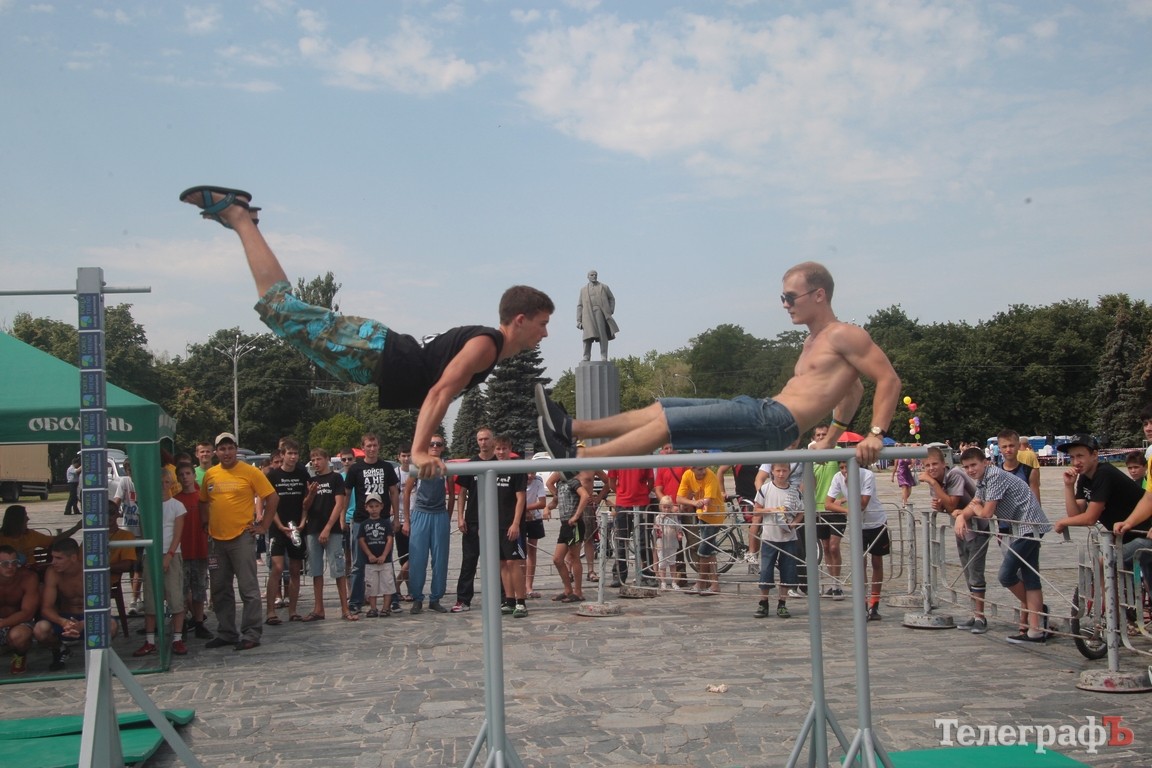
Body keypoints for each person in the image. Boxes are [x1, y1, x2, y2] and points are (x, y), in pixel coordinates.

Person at [179, 185, 554, 479]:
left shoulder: (489, 348)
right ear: (520, 319)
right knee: (280, 309)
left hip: (368, 363)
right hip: (372, 349)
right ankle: (240, 216)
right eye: (543, 323)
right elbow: (440, 392)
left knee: (282, 313)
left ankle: (245, 222)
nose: (546, 334)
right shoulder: (486, 344)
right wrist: (419, 450)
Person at [537, 262, 900, 468]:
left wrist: (875, 433)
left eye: (790, 297)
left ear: (819, 295)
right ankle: (574, 428)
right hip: (764, 410)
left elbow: (888, 380)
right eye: (782, 297)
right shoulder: (812, 342)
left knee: (667, 425)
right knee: (662, 408)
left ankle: (579, 460)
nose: (785, 304)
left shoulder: (844, 334)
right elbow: (852, 389)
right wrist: (830, 440)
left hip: (775, 422)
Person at [956, 447, 1052, 644]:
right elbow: (975, 503)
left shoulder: (994, 476)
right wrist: (962, 517)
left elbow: (986, 513)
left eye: (973, 465)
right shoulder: (983, 479)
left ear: (985, 462)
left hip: (1028, 525)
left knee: (1006, 575)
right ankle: (1036, 630)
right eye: (966, 467)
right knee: (1030, 577)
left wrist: (975, 508)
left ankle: (1037, 611)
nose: (970, 470)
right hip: (1022, 528)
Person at [200, 432, 279, 651]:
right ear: (216, 452)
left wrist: (263, 526)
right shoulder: (210, 474)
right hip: (216, 540)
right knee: (219, 589)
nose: (226, 453)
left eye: (230, 448)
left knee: (248, 588)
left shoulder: (250, 472)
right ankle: (226, 632)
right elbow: (203, 501)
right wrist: (205, 523)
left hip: (241, 537)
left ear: (236, 449)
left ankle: (252, 632)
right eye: (222, 449)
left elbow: (272, 497)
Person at [1055, 435, 1152, 602]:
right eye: (1072, 457)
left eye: (1080, 456)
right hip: (1125, 537)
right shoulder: (1085, 477)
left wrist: (1062, 522)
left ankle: (1109, 608)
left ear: (1094, 455)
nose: (1076, 462)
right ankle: (1120, 609)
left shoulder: (1104, 473)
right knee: (1130, 574)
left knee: (1105, 562)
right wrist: (1069, 486)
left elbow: (1090, 518)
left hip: (1144, 534)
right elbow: (1076, 515)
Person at [919, 446, 986, 633]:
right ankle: (975, 614)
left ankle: (980, 617)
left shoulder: (954, 474)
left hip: (978, 528)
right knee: (968, 573)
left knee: (975, 573)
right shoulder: (937, 480)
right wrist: (939, 504)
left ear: (944, 464)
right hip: (962, 529)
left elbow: (951, 504)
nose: (931, 468)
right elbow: (946, 506)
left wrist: (933, 484)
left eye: (934, 464)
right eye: (927, 466)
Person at [825, 461, 889, 621]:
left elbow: (863, 504)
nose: (844, 471)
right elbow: (828, 504)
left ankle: (874, 602)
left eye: (847, 467)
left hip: (876, 521)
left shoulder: (867, 475)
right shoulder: (838, 477)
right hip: (858, 525)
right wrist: (846, 510)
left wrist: (850, 485)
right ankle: (863, 603)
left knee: (877, 562)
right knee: (860, 563)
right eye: (841, 467)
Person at [134, 468, 187, 657]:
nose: (163, 486)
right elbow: (145, 531)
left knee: (175, 597)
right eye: (160, 483)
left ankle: (177, 638)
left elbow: (177, 534)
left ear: (171, 484)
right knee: (150, 598)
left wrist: (169, 555)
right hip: (151, 554)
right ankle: (150, 640)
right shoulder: (147, 506)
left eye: (166, 482)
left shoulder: (177, 506)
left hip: (171, 553)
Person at [344, 433, 399, 616]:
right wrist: (342, 518)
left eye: (375, 445)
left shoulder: (386, 467)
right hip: (361, 520)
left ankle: (392, 600)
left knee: (387, 562)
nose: (372, 449)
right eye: (369, 445)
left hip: (383, 520)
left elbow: (393, 492)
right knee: (359, 563)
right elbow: (346, 494)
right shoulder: (355, 469)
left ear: (379, 446)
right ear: (363, 447)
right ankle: (356, 601)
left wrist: (396, 518)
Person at [303, 448, 353, 622]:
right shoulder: (311, 480)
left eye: (318, 459)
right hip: (313, 529)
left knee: (338, 569)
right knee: (316, 570)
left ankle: (345, 609)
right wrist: (311, 494)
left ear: (326, 460)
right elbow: (305, 506)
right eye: (313, 460)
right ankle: (318, 609)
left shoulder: (335, 478)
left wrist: (328, 528)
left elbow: (339, 504)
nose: (316, 463)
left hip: (332, 530)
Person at [404, 436, 453, 615]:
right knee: (417, 559)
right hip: (420, 514)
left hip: (439, 515)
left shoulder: (445, 467)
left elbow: (452, 495)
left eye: (438, 444)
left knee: (440, 560)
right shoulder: (419, 465)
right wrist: (407, 520)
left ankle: (435, 598)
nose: (434, 446)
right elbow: (406, 492)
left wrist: (447, 517)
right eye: (431, 444)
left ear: (442, 447)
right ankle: (417, 598)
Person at [264, 438, 310, 626]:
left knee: (295, 570)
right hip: (278, 528)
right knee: (276, 568)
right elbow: (269, 504)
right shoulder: (273, 476)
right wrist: (279, 525)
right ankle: (270, 611)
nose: (293, 457)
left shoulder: (302, 473)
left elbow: (306, 501)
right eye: (289, 453)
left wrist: (303, 522)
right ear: (282, 455)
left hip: (296, 527)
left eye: (295, 454)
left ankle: (293, 610)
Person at [33, 538, 95, 672]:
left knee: (111, 626)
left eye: (59, 558)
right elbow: (46, 608)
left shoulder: (90, 570)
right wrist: (64, 622)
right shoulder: (52, 572)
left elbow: (102, 606)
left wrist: (83, 624)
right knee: (40, 630)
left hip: (89, 616)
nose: (53, 562)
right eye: (52, 557)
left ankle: (98, 655)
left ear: (73, 558)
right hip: (66, 617)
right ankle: (60, 649)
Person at [452, 427, 497, 613]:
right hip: (473, 521)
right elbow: (462, 493)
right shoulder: (471, 464)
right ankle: (463, 600)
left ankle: (501, 598)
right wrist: (460, 517)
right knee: (469, 562)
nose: (483, 442)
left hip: (496, 521)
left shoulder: (500, 463)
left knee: (498, 561)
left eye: (486, 439)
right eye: (480, 439)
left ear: (492, 440)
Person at [753, 464, 803, 619]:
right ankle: (763, 602)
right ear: (772, 472)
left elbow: (801, 512)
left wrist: (793, 524)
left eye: (784, 471)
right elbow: (756, 510)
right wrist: (771, 510)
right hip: (770, 536)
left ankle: (782, 603)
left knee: (788, 570)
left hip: (788, 537)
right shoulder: (765, 489)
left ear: (789, 472)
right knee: (766, 570)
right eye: (778, 471)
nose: (781, 474)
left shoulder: (795, 492)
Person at [174, 463, 213, 640]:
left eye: (188, 473)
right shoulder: (175, 500)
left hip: (200, 549)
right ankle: (180, 624)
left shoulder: (202, 498)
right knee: (181, 591)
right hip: (182, 551)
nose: (185, 477)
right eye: (181, 474)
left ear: (193, 475)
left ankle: (199, 622)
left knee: (199, 589)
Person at [493, 435, 529, 618]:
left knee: (513, 562)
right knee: (502, 563)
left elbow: (521, 498)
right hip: (496, 525)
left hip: (512, 524)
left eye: (504, 449)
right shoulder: (491, 469)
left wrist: (515, 523)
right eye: (498, 449)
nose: (501, 452)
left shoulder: (517, 469)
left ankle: (521, 602)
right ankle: (509, 600)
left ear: (510, 449)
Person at [677, 464, 725, 594]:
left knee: (703, 551)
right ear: (692, 469)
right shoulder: (687, 475)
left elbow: (707, 500)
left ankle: (701, 582)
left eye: (704, 468)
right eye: (699, 469)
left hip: (714, 516)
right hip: (702, 515)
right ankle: (714, 584)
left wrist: (699, 502)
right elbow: (679, 498)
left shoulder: (710, 476)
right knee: (710, 551)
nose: (703, 471)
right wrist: (693, 502)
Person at [606, 465, 655, 587]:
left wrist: (642, 493)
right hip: (623, 503)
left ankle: (648, 573)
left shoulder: (643, 458)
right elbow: (611, 482)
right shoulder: (617, 458)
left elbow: (651, 481)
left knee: (644, 541)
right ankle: (619, 574)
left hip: (641, 502)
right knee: (621, 541)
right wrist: (622, 493)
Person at [548, 471, 593, 603]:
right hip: (565, 525)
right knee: (557, 559)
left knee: (574, 557)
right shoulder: (560, 484)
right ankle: (568, 589)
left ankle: (578, 592)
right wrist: (547, 508)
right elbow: (555, 502)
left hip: (574, 524)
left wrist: (576, 515)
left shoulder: (574, 482)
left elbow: (585, 496)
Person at [0, 505, 81, 571]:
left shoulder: (31, 535)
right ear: (16, 520)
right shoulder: (2, 538)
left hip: (32, 573)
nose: (28, 518)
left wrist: (76, 528)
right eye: (25, 516)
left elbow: (55, 540)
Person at [0, 544, 39, 675]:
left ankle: (20, 656)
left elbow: (28, 613)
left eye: (14, 562)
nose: (10, 567)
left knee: (19, 636)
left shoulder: (28, 578)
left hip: (18, 621)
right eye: (5, 564)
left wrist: (2, 623)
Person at [358, 493, 397, 618]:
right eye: (371, 506)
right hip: (370, 562)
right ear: (366, 507)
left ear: (381, 506)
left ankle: (386, 607)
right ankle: (373, 608)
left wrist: (384, 555)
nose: (374, 509)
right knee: (371, 586)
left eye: (376, 506)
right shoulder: (364, 524)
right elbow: (361, 540)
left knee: (387, 584)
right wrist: (369, 554)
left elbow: (389, 539)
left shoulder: (386, 523)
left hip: (385, 561)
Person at [522, 458, 549, 599]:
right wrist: (523, 511)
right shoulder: (518, 479)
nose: (530, 476)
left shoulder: (538, 481)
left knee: (532, 551)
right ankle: (519, 586)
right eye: (528, 473)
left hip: (534, 517)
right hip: (519, 518)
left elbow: (542, 502)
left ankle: (529, 586)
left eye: (533, 472)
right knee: (520, 552)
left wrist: (527, 509)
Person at [578, 269, 618, 361]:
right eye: (592, 275)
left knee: (602, 334)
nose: (594, 276)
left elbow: (612, 298)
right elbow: (580, 305)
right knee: (587, 335)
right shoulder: (583, 290)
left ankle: (604, 355)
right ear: (588, 277)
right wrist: (578, 320)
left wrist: (610, 310)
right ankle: (586, 356)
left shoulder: (604, 287)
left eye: (595, 275)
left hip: (600, 313)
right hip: (587, 315)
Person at [392, 444, 413, 607]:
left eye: (408, 455)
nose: (406, 459)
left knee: (414, 555)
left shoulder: (416, 471)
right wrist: (396, 519)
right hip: (399, 517)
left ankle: (397, 584)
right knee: (404, 556)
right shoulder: (396, 473)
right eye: (403, 456)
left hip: (416, 516)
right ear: (398, 457)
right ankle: (407, 589)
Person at [652, 496, 683, 591]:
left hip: (672, 543)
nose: (666, 509)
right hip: (661, 544)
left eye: (668, 507)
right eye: (664, 507)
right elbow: (654, 530)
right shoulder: (658, 517)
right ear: (661, 507)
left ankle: (674, 582)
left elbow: (678, 527)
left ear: (671, 507)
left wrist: (679, 534)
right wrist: (657, 530)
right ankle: (663, 582)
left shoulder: (674, 517)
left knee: (672, 563)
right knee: (662, 564)